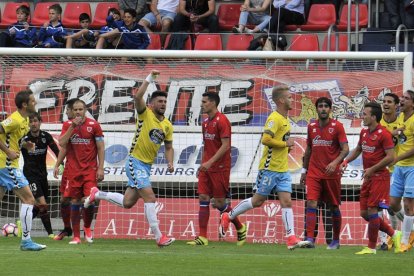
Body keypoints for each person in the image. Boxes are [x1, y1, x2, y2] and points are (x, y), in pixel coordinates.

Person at [83, 70, 175, 247]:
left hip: (147, 166)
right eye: (159, 101)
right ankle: (159, 237)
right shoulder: (145, 114)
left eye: (165, 101)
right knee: (150, 197)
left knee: (128, 202)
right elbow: (138, 97)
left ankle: (97, 194)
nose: (163, 104)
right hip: (135, 161)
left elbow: (169, 147)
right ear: (152, 103)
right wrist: (150, 79)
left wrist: (170, 161)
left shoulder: (167, 125)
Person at [220, 85, 311, 249]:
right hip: (269, 168)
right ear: (282, 100)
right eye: (289, 97)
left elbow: (278, 142)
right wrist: (284, 143)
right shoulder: (274, 118)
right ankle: (229, 215)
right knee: (257, 201)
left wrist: (285, 146)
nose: (292, 100)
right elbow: (266, 140)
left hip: (283, 169)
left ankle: (290, 238)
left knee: (287, 202)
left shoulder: (285, 119)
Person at [340, 102, 402, 255]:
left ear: (373, 117)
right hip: (368, 177)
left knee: (373, 210)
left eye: (365, 114)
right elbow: (359, 149)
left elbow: (391, 157)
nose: (363, 116)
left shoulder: (384, 134)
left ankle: (372, 247)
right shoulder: (364, 132)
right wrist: (346, 161)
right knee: (364, 213)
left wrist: (373, 169)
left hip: (380, 177)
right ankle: (394, 234)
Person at [187, 92, 245, 246]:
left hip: (220, 168)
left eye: (204, 102)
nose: (202, 104)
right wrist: (202, 164)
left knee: (219, 203)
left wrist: (210, 162)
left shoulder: (222, 120)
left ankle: (240, 227)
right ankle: (203, 237)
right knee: (203, 198)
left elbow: (226, 145)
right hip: (207, 168)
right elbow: (207, 146)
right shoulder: (205, 122)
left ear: (213, 103)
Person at [300, 97, 349, 249]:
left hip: (331, 174)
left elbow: (345, 149)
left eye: (326, 106)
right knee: (311, 202)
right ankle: (309, 239)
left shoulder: (338, 126)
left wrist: (335, 163)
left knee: (333, 206)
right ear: (316, 109)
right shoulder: (311, 126)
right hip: (314, 173)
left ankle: (335, 240)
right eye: (320, 106)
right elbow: (308, 149)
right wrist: (304, 170)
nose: (323, 109)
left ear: (330, 109)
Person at [0, 90, 46, 251]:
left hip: (5, 165)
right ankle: (26, 241)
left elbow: (13, 139)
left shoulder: (25, 120)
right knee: (29, 200)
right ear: (25, 104)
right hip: (6, 165)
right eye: (33, 101)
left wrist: (25, 145)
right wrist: (8, 152)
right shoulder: (15, 119)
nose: (36, 103)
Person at [58, 99, 105, 245]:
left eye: (81, 109)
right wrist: (72, 126)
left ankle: (87, 228)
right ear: (72, 111)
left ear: (85, 110)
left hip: (90, 169)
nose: (78, 112)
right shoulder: (67, 125)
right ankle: (76, 236)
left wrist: (101, 167)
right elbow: (62, 143)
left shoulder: (94, 125)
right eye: (76, 109)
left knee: (90, 199)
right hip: (73, 170)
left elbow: (101, 148)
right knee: (74, 201)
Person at [21, 112, 60, 238]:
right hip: (30, 175)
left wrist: (60, 164)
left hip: (43, 175)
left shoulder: (46, 136)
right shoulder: (24, 139)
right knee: (43, 203)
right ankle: (50, 233)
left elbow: (56, 151)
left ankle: (22, 225)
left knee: (39, 206)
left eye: (35, 121)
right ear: (28, 124)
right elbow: (14, 148)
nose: (33, 123)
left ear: (40, 122)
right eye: (31, 121)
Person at [389, 90, 414, 252]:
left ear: (412, 103)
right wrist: (393, 134)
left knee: (408, 204)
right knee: (393, 203)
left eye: (406, 98)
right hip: (399, 168)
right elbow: (396, 139)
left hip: (411, 166)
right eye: (402, 98)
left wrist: (397, 158)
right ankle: (410, 228)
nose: (402, 100)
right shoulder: (399, 118)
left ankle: (405, 240)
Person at [379, 92, 404, 250]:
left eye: (389, 101)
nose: (386, 104)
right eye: (384, 101)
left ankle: (408, 229)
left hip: (400, 167)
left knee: (394, 205)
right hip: (382, 167)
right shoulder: (378, 121)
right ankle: (386, 240)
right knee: (384, 205)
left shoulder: (403, 121)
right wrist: (391, 133)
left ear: (396, 105)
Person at [52, 98, 79, 241]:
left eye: (67, 110)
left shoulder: (91, 125)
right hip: (69, 169)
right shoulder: (68, 125)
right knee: (64, 200)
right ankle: (67, 228)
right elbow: (64, 146)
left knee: (80, 200)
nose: (67, 112)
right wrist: (57, 164)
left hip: (85, 170)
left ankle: (81, 232)